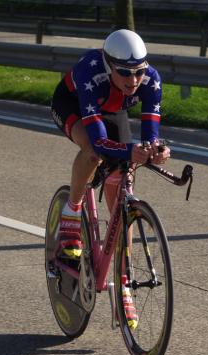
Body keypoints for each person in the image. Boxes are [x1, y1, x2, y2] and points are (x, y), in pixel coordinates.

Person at [51, 29, 170, 328]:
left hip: (112, 110)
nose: (133, 81)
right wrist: (129, 150)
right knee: (93, 152)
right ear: (109, 65)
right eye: (125, 73)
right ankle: (71, 212)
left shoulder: (151, 80)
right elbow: (101, 141)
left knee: (122, 188)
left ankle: (123, 284)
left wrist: (155, 149)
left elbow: (149, 133)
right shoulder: (90, 72)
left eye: (139, 72)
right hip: (75, 106)